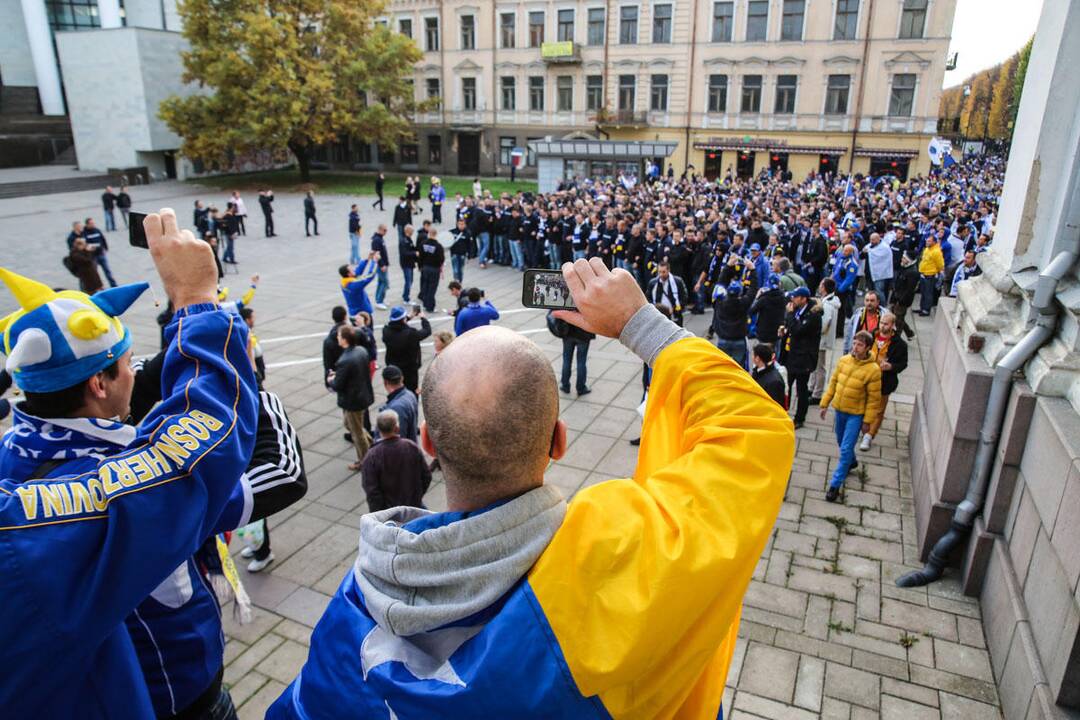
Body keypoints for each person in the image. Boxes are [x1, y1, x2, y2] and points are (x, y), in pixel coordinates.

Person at [270, 258, 795, 720]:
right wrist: (641, 324)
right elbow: (754, 430)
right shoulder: (624, 565)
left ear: (428, 441)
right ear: (559, 441)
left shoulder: (351, 618)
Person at [0, 212, 261, 719]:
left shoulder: (13, 456)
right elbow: (190, 456)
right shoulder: (63, 505)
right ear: (99, 384)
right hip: (174, 697)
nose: (134, 371)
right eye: (125, 363)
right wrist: (197, 300)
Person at [819, 330, 882, 502]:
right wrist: (824, 403)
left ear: (868, 347)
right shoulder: (844, 360)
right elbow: (833, 383)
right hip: (840, 410)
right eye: (854, 343)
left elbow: (873, 399)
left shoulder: (873, 370)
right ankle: (851, 461)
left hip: (856, 415)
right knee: (841, 441)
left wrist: (867, 421)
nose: (855, 347)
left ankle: (834, 485)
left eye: (860, 345)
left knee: (846, 448)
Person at [361, 409, 432, 512]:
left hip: (388, 514)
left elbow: (372, 491)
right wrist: (416, 498)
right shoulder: (411, 447)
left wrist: (380, 512)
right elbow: (426, 476)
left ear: (378, 429)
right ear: (397, 428)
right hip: (413, 507)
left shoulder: (372, 456)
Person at [329, 325, 375, 471]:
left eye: (339, 336)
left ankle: (365, 461)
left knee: (357, 433)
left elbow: (338, 385)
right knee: (353, 426)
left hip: (353, 401)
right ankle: (372, 445)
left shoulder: (345, 360)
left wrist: (332, 379)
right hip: (362, 396)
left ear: (344, 340)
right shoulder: (361, 351)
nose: (337, 338)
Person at [860, 312, 908, 451]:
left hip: (884, 381)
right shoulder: (870, 336)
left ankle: (869, 435)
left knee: (878, 410)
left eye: (886, 324)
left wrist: (891, 366)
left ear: (893, 326)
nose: (882, 326)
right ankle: (862, 427)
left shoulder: (899, 345)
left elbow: (903, 364)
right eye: (881, 323)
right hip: (866, 378)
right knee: (862, 405)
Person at [780, 286, 821, 429]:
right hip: (791, 355)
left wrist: (790, 316)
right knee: (786, 385)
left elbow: (798, 330)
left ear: (803, 299)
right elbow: (791, 328)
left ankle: (799, 418)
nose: (792, 299)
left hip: (804, 358)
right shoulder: (796, 310)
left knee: (801, 389)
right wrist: (784, 331)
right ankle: (782, 412)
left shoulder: (813, 315)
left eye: (795, 297)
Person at [382, 305, 432, 392]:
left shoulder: (386, 331)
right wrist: (423, 319)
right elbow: (427, 331)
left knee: (395, 390)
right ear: (403, 319)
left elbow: (396, 325)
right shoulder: (410, 334)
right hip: (409, 369)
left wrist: (409, 317)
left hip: (393, 366)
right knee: (411, 391)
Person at [809, 277, 841, 403]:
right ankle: (812, 387)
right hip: (821, 339)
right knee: (815, 365)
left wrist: (814, 331)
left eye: (821, 285)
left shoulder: (827, 305)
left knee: (819, 367)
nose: (819, 286)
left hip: (821, 340)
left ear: (824, 288)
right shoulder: (829, 301)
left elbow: (824, 323)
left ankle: (817, 393)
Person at [711, 280, 752, 368]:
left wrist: (727, 268)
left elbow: (720, 283)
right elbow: (753, 291)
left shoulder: (720, 303)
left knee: (722, 367)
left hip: (723, 339)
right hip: (739, 339)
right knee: (739, 368)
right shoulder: (743, 303)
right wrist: (753, 271)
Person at [377, 365, 419, 443]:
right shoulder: (410, 394)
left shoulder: (396, 408)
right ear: (402, 378)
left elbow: (397, 439)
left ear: (385, 382)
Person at [558, 314, 595, 396]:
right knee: (581, 362)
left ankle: (565, 385)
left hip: (568, 332)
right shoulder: (585, 301)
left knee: (566, 360)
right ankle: (581, 388)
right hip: (584, 334)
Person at [749, 274, 787, 349]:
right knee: (775, 354)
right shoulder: (783, 297)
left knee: (764, 355)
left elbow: (751, 311)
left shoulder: (764, 299)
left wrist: (757, 297)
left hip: (764, 333)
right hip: (777, 332)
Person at [647, 261, 688, 326]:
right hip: (658, 315)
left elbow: (684, 297)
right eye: (659, 272)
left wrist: (674, 308)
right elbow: (648, 299)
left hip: (674, 314)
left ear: (668, 270)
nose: (661, 274)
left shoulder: (678, 281)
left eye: (663, 272)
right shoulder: (653, 283)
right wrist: (655, 309)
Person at [890, 252, 920, 339]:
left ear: (908, 260)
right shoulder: (904, 268)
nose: (902, 259)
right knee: (898, 317)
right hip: (897, 297)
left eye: (904, 258)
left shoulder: (913, 273)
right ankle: (910, 333)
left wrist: (901, 300)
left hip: (902, 301)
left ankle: (896, 338)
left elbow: (909, 290)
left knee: (898, 320)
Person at [81, 217, 118, 287]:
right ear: (87, 225)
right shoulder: (84, 233)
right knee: (94, 273)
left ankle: (114, 285)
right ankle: (98, 286)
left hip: (101, 254)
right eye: (91, 223)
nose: (93, 224)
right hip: (93, 256)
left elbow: (102, 239)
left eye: (93, 223)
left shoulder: (97, 230)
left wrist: (105, 248)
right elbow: (84, 244)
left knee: (107, 271)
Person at [844, 289, 883, 355]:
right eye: (867, 300)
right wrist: (846, 350)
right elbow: (849, 334)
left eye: (872, 301)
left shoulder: (884, 315)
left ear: (878, 302)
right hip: (859, 350)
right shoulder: (857, 314)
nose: (869, 303)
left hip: (876, 351)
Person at [418, 227, 445, 313]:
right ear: (436, 235)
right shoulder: (438, 246)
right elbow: (441, 259)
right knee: (432, 288)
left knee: (425, 286)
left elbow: (420, 256)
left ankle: (425, 303)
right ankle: (430, 306)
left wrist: (420, 266)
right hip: (434, 269)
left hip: (425, 268)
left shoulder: (423, 244)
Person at [323, 306, 350, 388]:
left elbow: (327, 363)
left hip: (337, 374)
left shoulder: (329, 340)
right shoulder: (352, 334)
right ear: (345, 316)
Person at [751, 343, 786, 407]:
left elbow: (774, 406)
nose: (751, 357)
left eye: (753, 355)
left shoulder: (774, 382)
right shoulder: (758, 371)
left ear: (757, 358)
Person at [917, 235, 944, 316]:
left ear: (934, 242)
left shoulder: (936, 252)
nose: (927, 242)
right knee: (923, 293)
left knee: (928, 293)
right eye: (927, 241)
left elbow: (940, 264)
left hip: (930, 276)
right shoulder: (927, 249)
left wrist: (936, 272)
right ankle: (922, 307)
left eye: (929, 241)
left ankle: (926, 310)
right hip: (923, 274)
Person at [371, 224, 391, 308]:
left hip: (384, 264)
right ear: (380, 229)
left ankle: (379, 299)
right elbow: (376, 254)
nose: (386, 232)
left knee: (381, 282)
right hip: (381, 265)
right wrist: (382, 265)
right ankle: (379, 301)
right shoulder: (376, 240)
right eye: (384, 230)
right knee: (385, 282)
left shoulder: (380, 239)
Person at [399, 224, 419, 303]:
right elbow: (405, 253)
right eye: (412, 231)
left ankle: (405, 295)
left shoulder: (408, 239)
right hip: (406, 264)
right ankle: (406, 298)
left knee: (410, 280)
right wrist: (414, 253)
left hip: (409, 263)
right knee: (408, 281)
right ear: (408, 231)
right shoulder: (404, 241)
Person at [449, 217, 471, 283]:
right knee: (455, 269)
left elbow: (469, 245)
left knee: (461, 269)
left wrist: (469, 255)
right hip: (454, 253)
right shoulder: (452, 232)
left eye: (462, 224)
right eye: (459, 224)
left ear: (465, 225)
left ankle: (460, 281)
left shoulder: (467, 233)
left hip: (462, 254)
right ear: (457, 224)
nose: (461, 226)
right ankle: (456, 281)